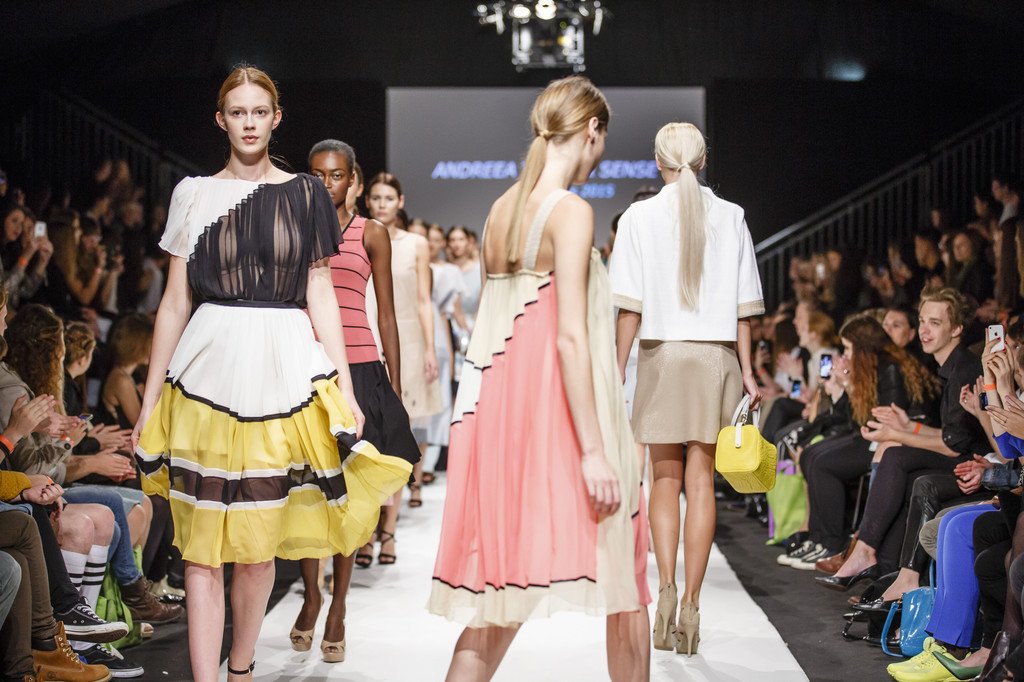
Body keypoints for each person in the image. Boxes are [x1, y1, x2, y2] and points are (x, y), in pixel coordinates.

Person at [130, 65, 413, 682]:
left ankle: (241, 670)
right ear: (221, 120)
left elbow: (321, 291)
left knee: (258, 547)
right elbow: (174, 302)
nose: (250, 123)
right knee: (202, 547)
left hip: (282, 367)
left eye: (260, 112)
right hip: (207, 369)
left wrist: (342, 384)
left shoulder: (306, 194)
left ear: (276, 118)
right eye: (238, 113)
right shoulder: (193, 194)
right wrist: (149, 399)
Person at [430, 75, 650, 682]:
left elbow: (499, 328)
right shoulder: (570, 211)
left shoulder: (498, 211)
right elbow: (570, 337)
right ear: (592, 130)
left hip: (505, 420)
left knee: (499, 603)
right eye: (602, 141)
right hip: (569, 421)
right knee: (626, 581)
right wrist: (594, 452)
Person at [610, 122, 763, 656]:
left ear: (658, 163)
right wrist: (748, 371)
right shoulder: (733, 215)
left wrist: (617, 367)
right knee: (701, 485)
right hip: (717, 359)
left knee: (663, 482)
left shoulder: (638, 217)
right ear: (703, 161)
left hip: (661, 357)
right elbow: (745, 310)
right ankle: (693, 606)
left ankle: (667, 593)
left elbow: (629, 307)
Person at [288, 139, 419, 662]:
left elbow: (386, 312)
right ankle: (312, 594)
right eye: (318, 174)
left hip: (359, 369)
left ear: (352, 180)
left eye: (337, 175)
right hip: (304, 368)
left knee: (346, 493)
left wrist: (395, 384)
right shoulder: (294, 227)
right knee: (305, 487)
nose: (327, 184)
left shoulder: (371, 233)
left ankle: (338, 604)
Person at [817, 288, 988, 589]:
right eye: (922, 321)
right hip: (964, 456)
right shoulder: (952, 367)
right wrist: (909, 427)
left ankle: (866, 553)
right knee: (898, 463)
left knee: (895, 454)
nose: (924, 330)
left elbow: (953, 445)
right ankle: (881, 570)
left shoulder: (964, 369)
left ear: (957, 329)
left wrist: (898, 433)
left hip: (976, 466)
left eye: (935, 323)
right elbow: (952, 434)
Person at [366, 171, 439, 510]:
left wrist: (430, 348)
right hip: (368, 334)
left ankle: (390, 520)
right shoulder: (359, 235)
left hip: (406, 340)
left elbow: (424, 299)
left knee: (400, 425)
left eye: (389, 199)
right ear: (368, 201)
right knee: (370, 427)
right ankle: (373, 518)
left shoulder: (416, 244)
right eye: (376, 198)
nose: (382, 205)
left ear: (401, 202)